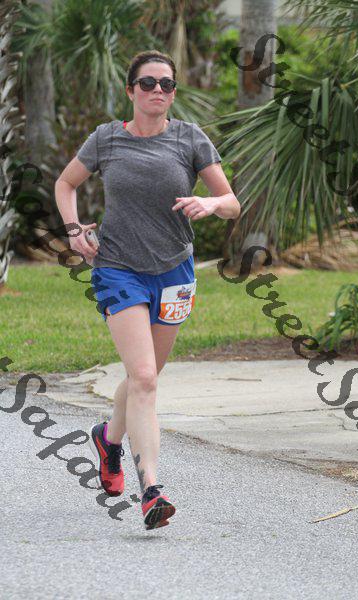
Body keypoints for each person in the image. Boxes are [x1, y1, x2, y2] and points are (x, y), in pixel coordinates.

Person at [54, 50, 241, 530]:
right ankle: (151, 490)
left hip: (175, 272)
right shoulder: (106, 139)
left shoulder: (190, 138)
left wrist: (210, 202)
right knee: (144, 377)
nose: (158, 90)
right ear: (131, 90)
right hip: (118, 269)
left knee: (146, 377)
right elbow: (65, 184)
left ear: (173, 93)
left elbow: (232, 203)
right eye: (148, 83)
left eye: (167, 84)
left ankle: (108, 439)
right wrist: (74, 230)